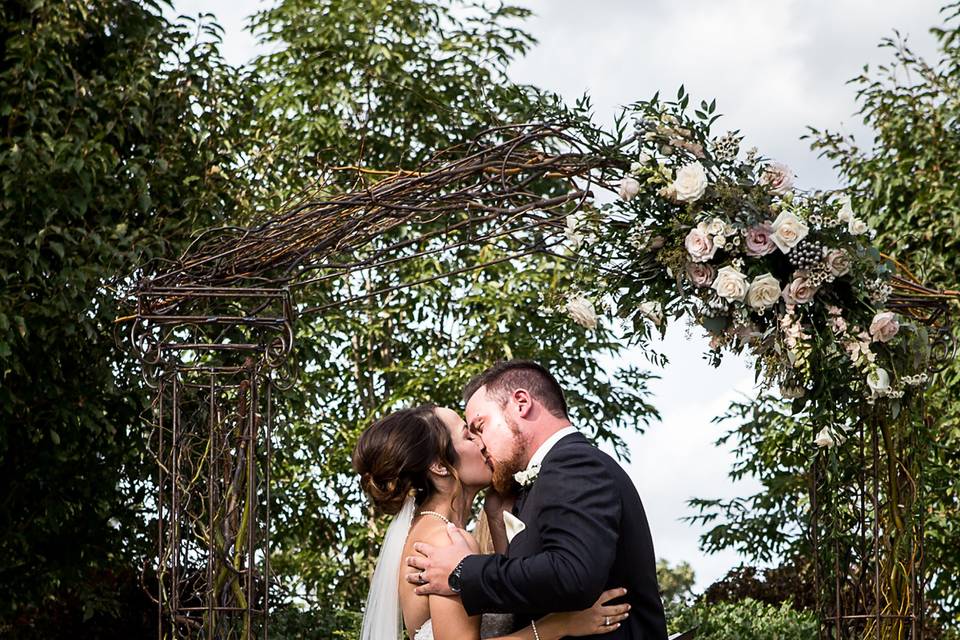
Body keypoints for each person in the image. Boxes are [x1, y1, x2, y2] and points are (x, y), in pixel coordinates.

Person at [404, 361, 668, 639]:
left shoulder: (574, 463)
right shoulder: (538, 482)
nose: (479, 444)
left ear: (521, 403)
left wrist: (464, 571)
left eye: (481, 426)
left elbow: (573, 573)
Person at [353, 403, 630, 639]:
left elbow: (505, 597)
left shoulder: (438, 530)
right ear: (439, 466)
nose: (481, 442)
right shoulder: (443, 541)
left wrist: (496, 518)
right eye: (467, 435)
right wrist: (560, 625)